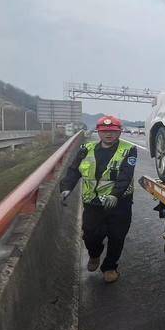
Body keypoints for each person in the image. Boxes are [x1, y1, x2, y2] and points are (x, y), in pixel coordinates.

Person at [60, 115, 137, 283]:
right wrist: (66, 188)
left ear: (119, 132)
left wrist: (115, 194)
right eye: (104, 131)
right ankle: (94, 255)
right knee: (90, 235)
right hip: (92, 203)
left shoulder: (129, 149)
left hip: (119, 203)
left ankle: (110, 267)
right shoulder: (85, 149)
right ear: (98, 132)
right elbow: (74, 170)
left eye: (113, 131)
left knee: (117, 236)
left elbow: (126, 175)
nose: (108, 134)